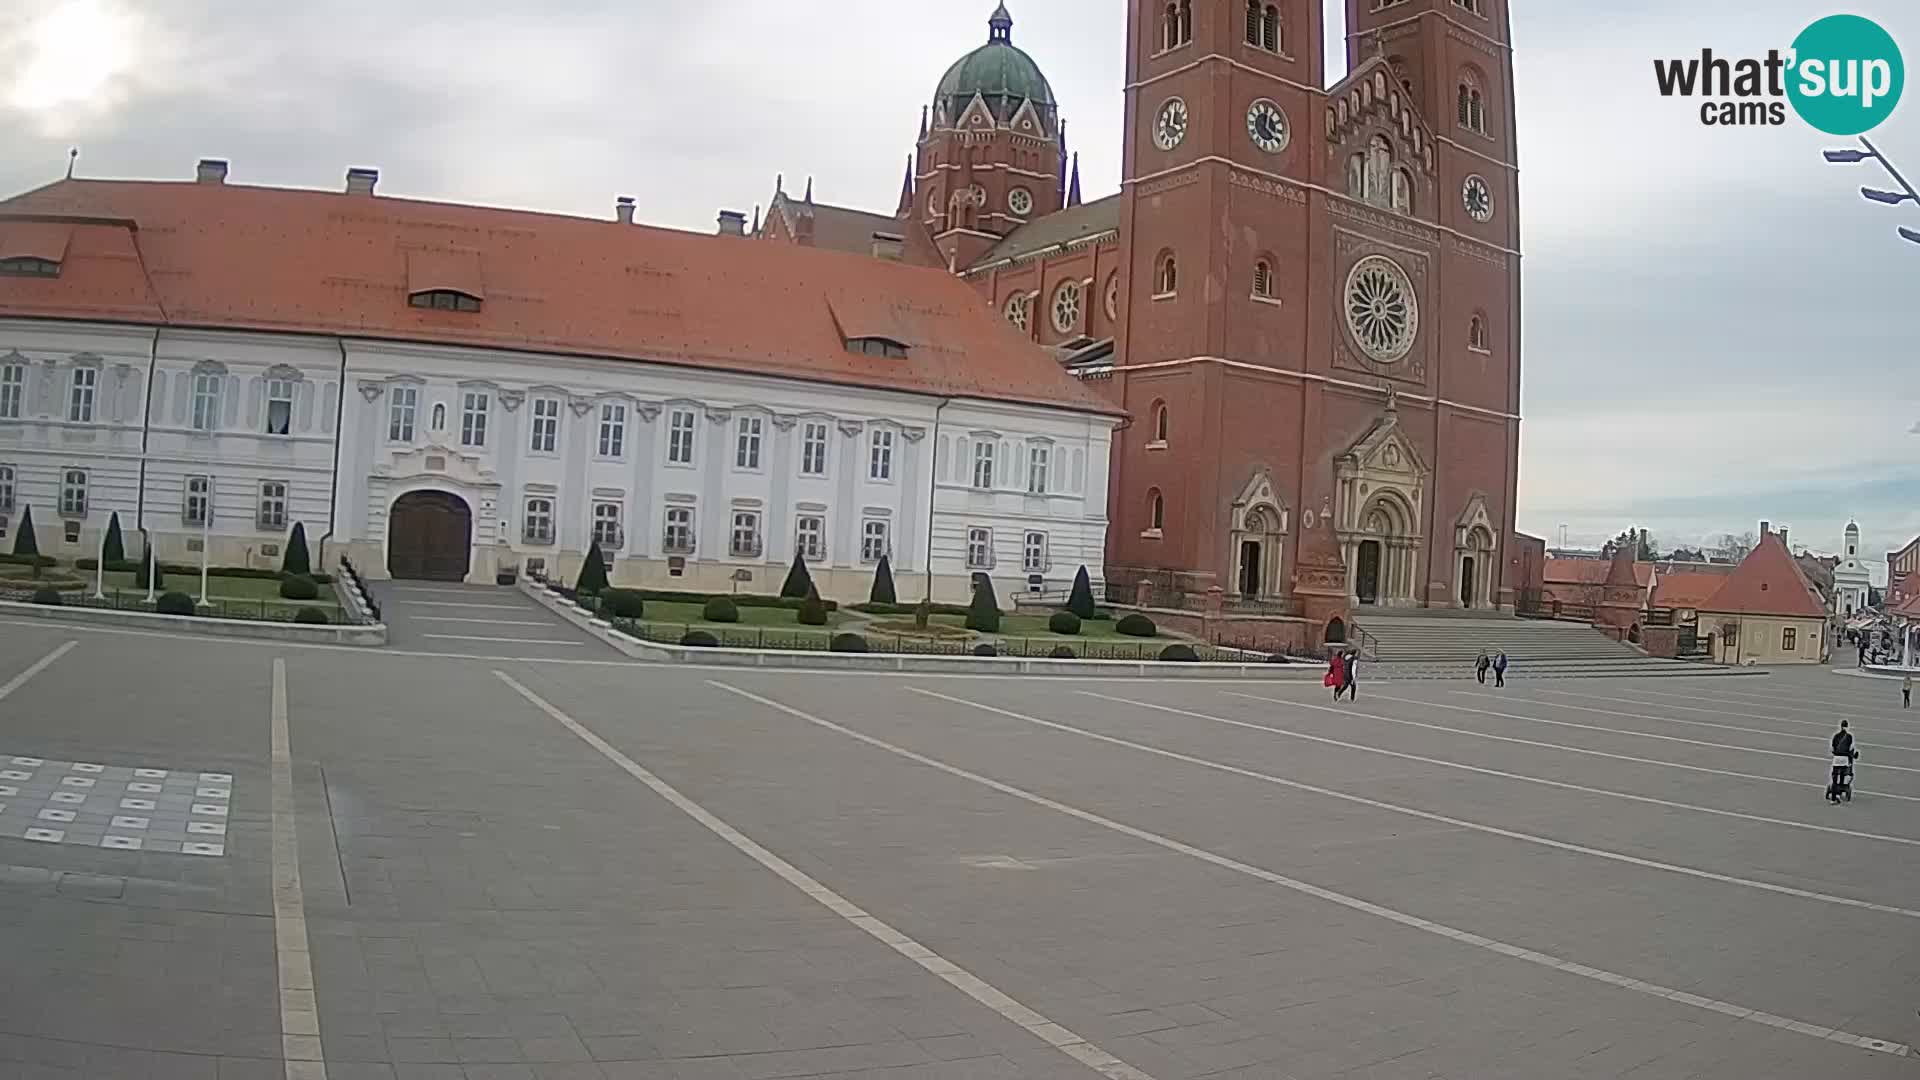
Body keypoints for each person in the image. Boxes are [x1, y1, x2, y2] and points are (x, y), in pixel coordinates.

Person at [1829, 720, 1859, 802]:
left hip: (1836, 759)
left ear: (1841, 726)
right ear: (1847, 726)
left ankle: (1833, 799)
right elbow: (1851, 749)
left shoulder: (1835, 736)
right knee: (1842, 776)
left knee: (1834, 777)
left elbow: (1832, 748)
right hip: (1844, 759)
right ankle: (1838, 795)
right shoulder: (1849, 736)